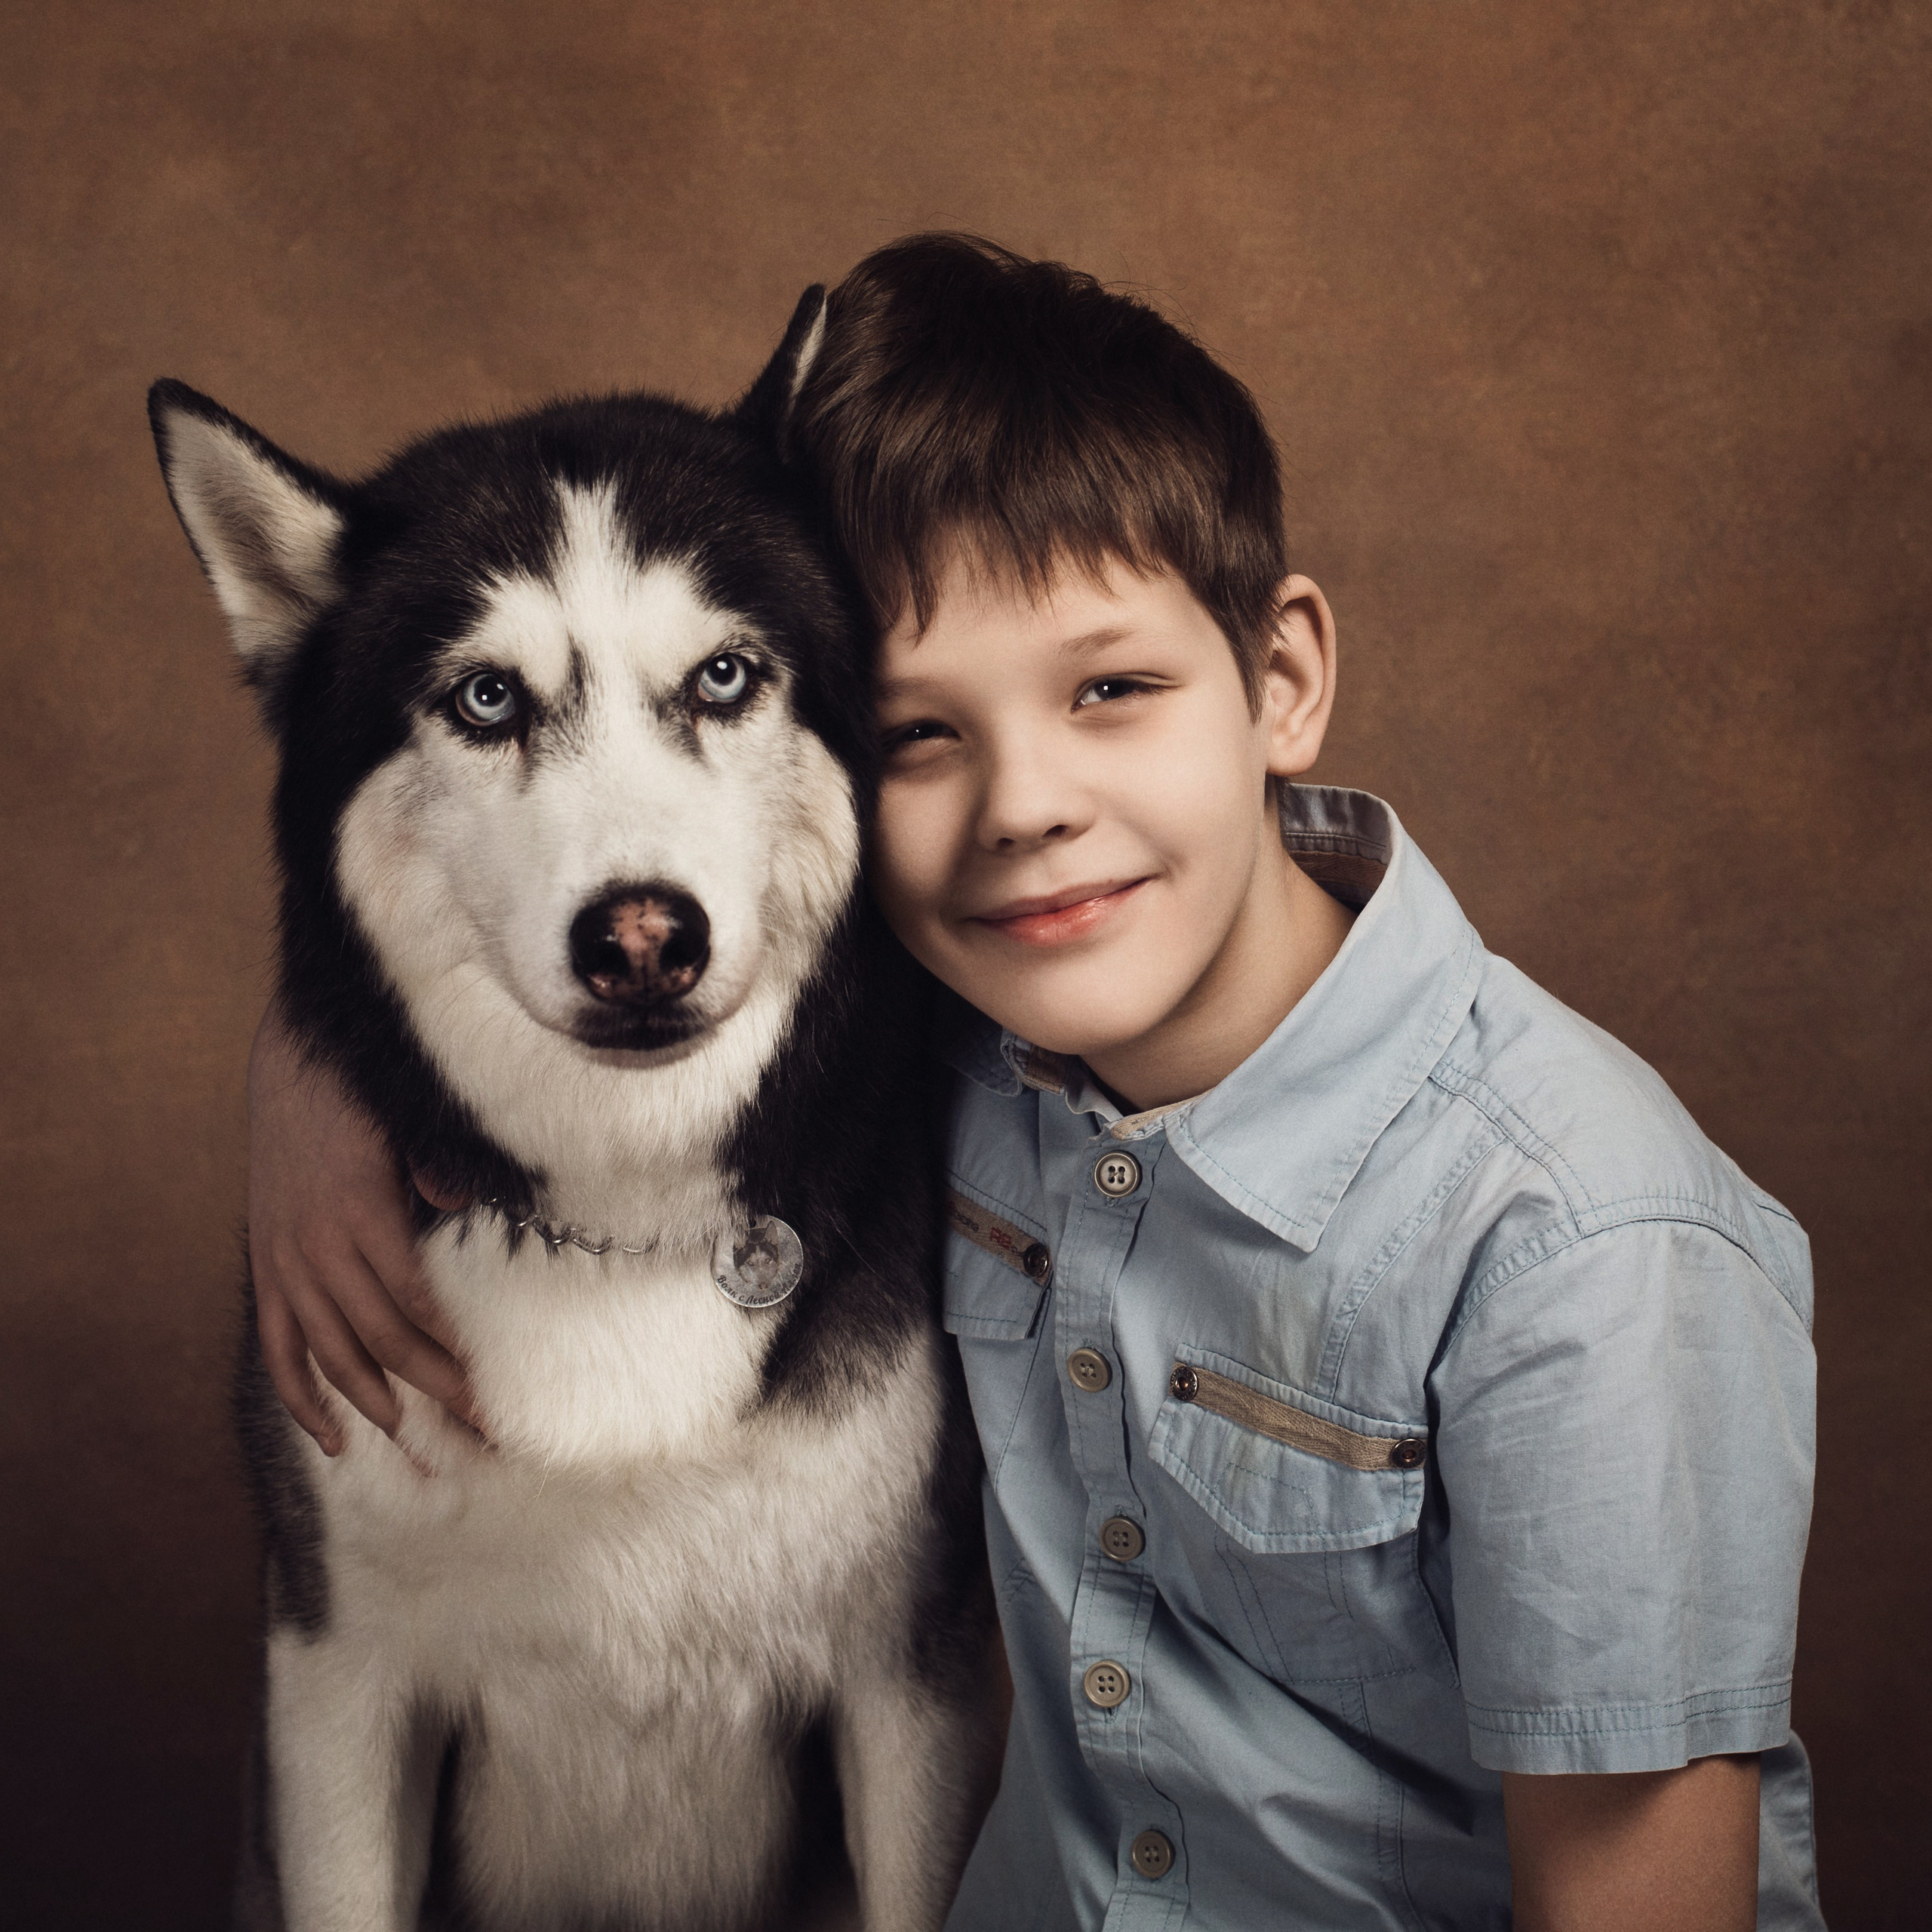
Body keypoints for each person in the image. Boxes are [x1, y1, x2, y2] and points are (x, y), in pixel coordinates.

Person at [242, 234, 1822, 1930]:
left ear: (1278, 679)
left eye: (1112, 690)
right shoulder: (985, 1025)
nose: (1023, 807)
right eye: (920, 733)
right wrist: (312, 1083)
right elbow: (539, 937)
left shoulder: (1583, 1246)